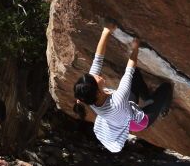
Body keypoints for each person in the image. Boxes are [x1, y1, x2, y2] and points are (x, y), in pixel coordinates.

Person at [74, 22, 173, 153]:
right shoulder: (117, 101)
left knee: (136, 75)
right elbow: (129, 70)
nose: (97, 76)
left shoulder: (90, 97)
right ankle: (163, 109)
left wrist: (106, 32)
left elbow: (97, 60)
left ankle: (148, 98)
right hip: (137, 121)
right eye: (96, 80)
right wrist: (136, 47)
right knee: (166, 88)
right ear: (97, 92)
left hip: (124, 112)